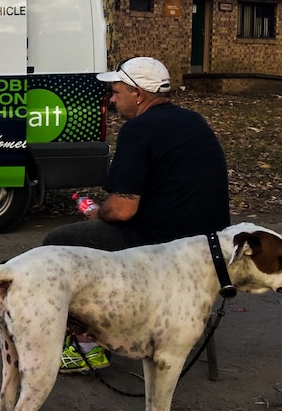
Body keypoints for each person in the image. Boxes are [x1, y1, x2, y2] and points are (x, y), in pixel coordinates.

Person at [43, 56, 231, 373]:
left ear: (139, 94)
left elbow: (123, 210)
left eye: (116, 92)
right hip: (208, 246)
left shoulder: (138, 130)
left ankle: (85, 347)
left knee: (59, 243)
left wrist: (99, 213)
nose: (113, 100)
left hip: (162, 248)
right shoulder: (194, 121)